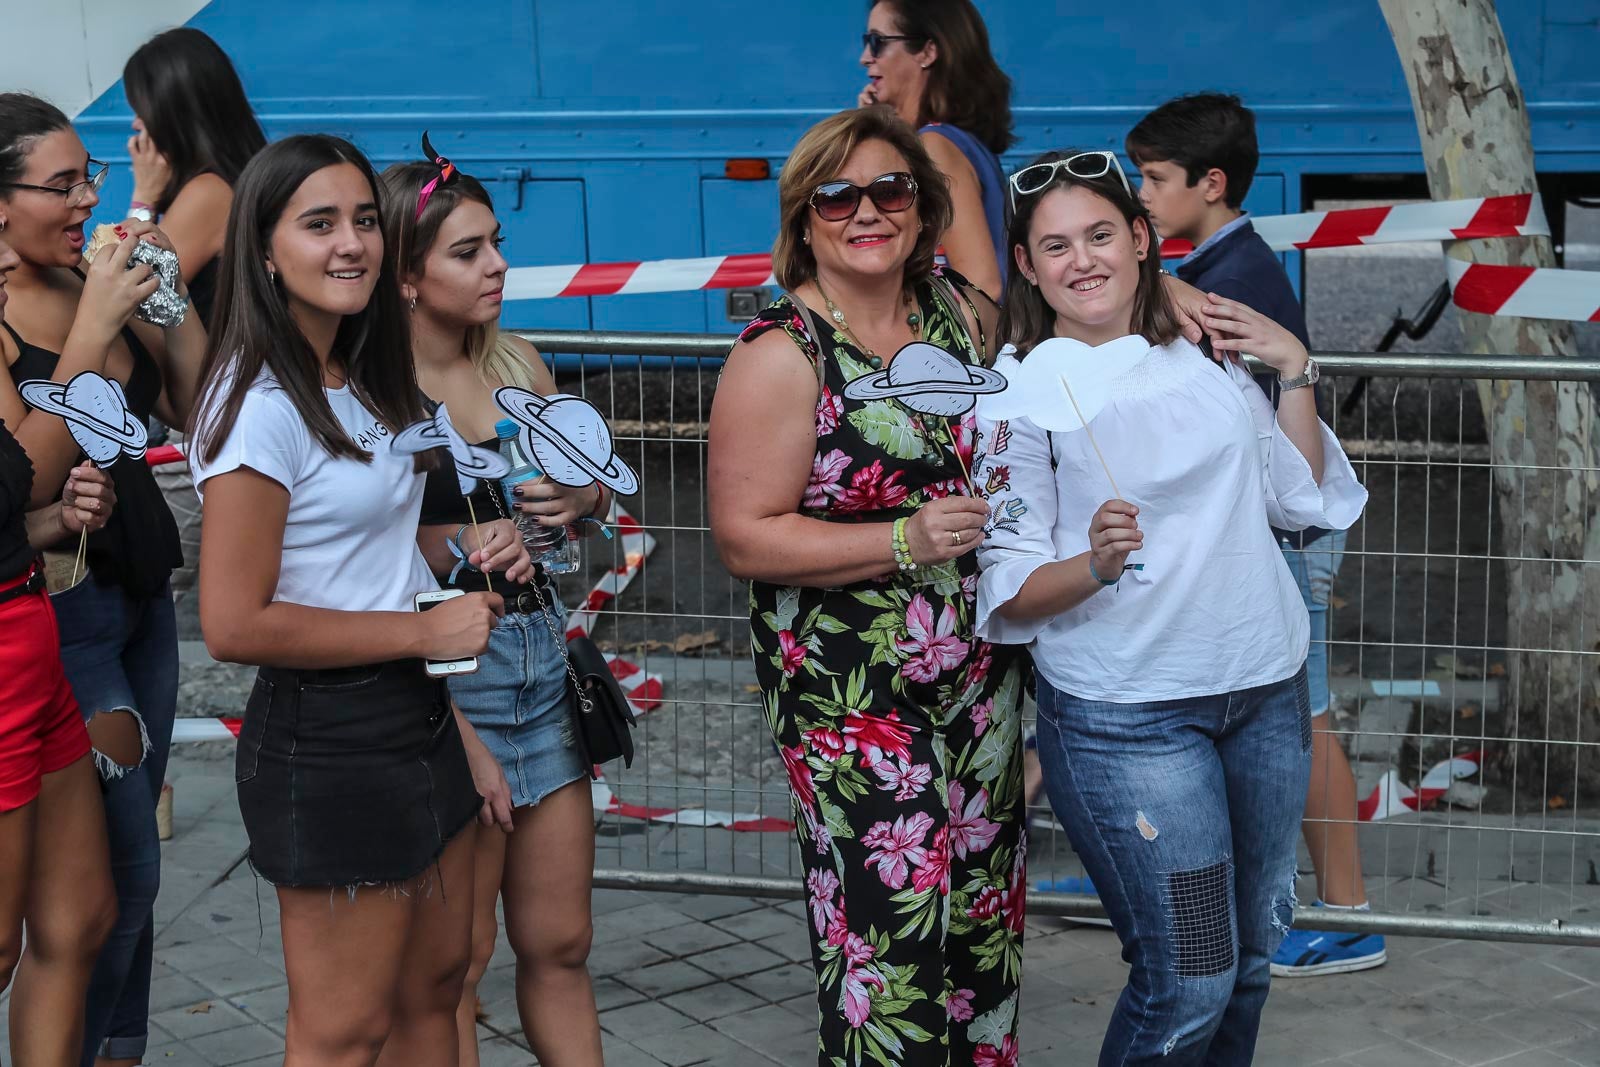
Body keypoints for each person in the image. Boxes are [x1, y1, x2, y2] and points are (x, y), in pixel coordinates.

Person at [975, 149, 1366, 1064]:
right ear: (1027, 267)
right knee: (1189, 975)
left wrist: (1296, 369)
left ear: (1143, 240)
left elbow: (1297, 501)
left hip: (1264, 696)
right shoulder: (1017, 393)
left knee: (1252, 958)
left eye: (1102, 234)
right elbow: (1013, 587)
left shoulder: (1203, 348)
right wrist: (1095, 564)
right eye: (1056, 245)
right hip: (1130, 720)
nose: (1084, 260)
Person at [708, 106, 1029, 1066]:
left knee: (982, 924)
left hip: (978, 678)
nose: (867, 212)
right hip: (855, 701)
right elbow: (742, 536)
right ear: (803, 219)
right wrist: (903, 537)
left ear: (921, 210)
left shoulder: (959, 316)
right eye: (837, 196)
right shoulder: (781, 353)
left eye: (891, 190)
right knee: (887, 940)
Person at [187, 133, 512, 1066]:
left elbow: (367, 555)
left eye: (365, 220)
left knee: (437, 990)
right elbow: (233, 622)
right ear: (262, 249)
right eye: (319, 223)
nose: (352, 244)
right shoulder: (257, 404)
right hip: (329, 742)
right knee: (343, 1034)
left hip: (418, 719)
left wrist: (465, 557)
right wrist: (422, 630)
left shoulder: (363, 379)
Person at [1127, 92, 1384, 977]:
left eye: (1154, 179)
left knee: (1306, 719)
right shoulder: (1228, 258)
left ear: (1212, 182)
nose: (1141, 194)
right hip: (1278, 520)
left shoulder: (1230, 276)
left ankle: (1350, 915)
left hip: (1289, 524)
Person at [380, 151, 608, 1067]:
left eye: (497, 245)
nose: (498, 266)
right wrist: (465, 548)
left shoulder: (517, 360)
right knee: (453, 968)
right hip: (442, 683)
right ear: (405, 276)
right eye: (467, 252)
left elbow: (587, 499)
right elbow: (353, 559)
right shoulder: (370, 395)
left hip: (541, 667)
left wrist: (570, 504)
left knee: (561, 943)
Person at [0, 91, 207, 1067]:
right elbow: (22, 482)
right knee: (113, 868)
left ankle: (114, 1050)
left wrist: (159, 293)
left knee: (122, 887)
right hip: (56, 607)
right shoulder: (11, 312)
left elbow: (190, 398)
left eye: (94, 176)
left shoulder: (90, 269)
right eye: (65, 182)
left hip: (137, 594)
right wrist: (90, 321)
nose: (90, 196)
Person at [0, 224, 119, 1067]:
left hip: (33, 639)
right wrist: (90, 333)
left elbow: (21, 491)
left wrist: (52, 522)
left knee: (80, 915)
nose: (6, 258)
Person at [857, 0, 1014, 297]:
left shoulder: (935, 147)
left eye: (877, 42)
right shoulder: (946, 139)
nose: (865, 58)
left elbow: (983, 286)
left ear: (928, 52)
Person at [123, 26, 266, 326]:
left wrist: (144, 199)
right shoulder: (240, 176)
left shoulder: (209, 192)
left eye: (142, 111)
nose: (137, 124)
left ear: (173, 116)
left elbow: (133, 303)